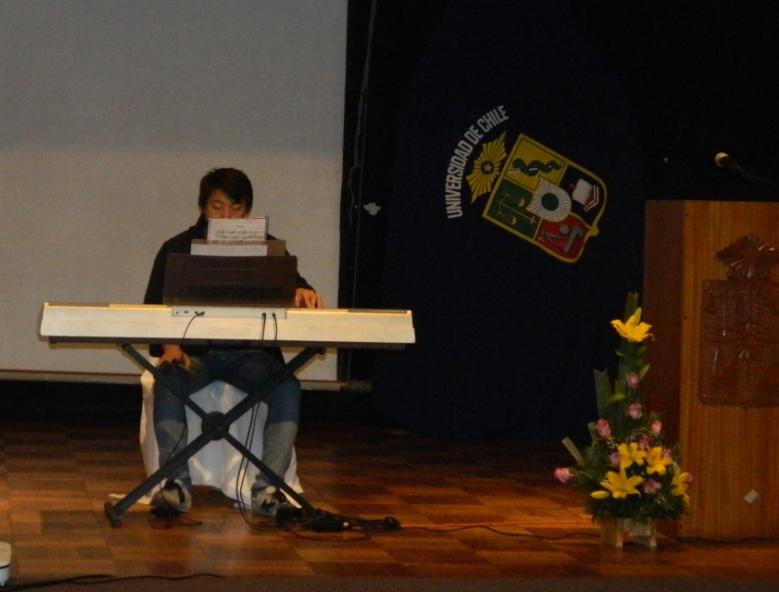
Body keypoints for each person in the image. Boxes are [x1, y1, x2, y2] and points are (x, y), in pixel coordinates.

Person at [143, 167, 323, 517]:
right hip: (195, 354)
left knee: (286, 387)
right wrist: (169, 346)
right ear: (202, 207)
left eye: (236, 209)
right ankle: (176, 485)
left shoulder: (269, 250)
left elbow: (301, 287)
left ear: (248, 211)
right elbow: (152, 309)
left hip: (250, 356)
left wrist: (303, 289)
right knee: (168, 379)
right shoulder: (177, 248)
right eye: (217, 207)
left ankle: (267, 488)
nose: (226, 216)